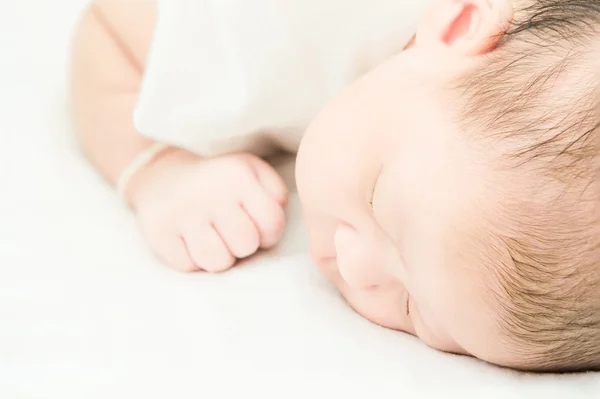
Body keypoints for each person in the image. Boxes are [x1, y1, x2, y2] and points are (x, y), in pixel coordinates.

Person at [71, 0, 599, 372]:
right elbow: (108, 25)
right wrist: (158, 171)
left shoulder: (442, 106)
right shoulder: (262, 29)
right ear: (458, 27)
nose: (352, 265)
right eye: (377, 197)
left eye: (414, 311)